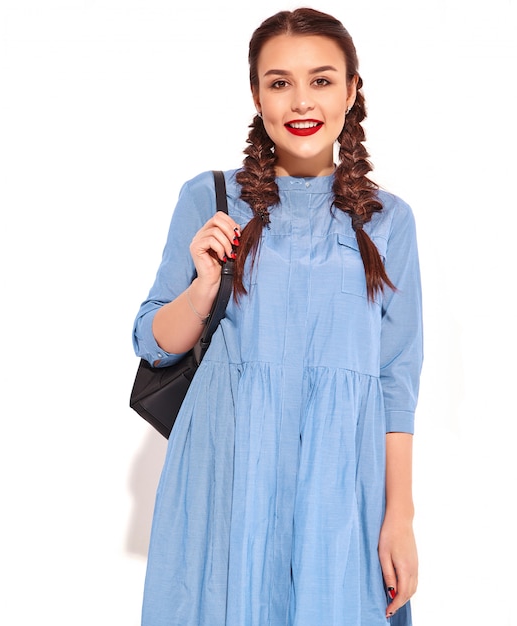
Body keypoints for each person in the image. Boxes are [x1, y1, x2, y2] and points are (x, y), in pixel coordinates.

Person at [132, 7, 423, 626]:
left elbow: (396, 380)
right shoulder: (208, 196)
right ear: (257, 95)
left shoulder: (390, 220)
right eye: (279, 81)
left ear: (351, 91)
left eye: (320, 80)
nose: (300, 101)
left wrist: (399, 517)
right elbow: (153, 340)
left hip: (341, 474)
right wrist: (204, 286)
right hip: (230, 468)